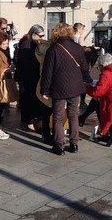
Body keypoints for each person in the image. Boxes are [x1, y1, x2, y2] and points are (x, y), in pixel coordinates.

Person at [40, 23, 89, 155]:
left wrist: (45, 90)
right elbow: (85, 68)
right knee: (74, 115)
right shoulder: (78, 48)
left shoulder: (53, 49)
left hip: (58, 87)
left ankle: (59, 145)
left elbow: (47, 72)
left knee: (58, 117)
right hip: (75, 87)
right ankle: (74, 143)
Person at [15, 24, 45, 131]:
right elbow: (27, 63)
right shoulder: (27, 44)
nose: (42, 38)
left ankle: (28, 119)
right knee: (28, 98)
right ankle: (29, 121)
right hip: (28, 77)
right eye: (40, 36)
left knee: (29, 98)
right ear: (33, 34)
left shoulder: (30, 43)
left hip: (29, 76)